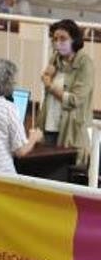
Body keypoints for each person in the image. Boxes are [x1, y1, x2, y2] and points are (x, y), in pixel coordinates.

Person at [36, 19, 95, 164]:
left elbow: (75, 100)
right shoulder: (55, 59)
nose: (58, 42)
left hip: (70, 131)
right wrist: (47, 79)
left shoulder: (84, 63)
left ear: (74, 39)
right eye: (55, 39)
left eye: (63, 38)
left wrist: (49, 85)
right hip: (49, 125)